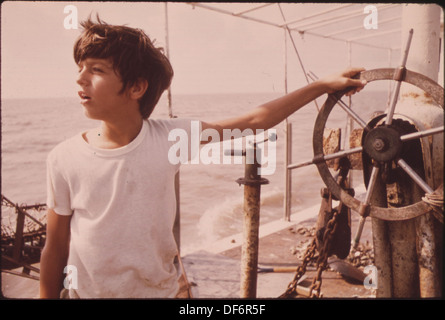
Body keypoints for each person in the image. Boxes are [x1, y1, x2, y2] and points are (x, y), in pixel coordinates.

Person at [39, 17, 366, 299]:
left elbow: (255, 121)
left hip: (159, 292)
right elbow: (55, 247)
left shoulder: (170, 139)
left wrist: (322, 85)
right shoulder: (64, 158)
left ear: (137, 87)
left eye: (96, 70)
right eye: (80, 68)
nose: (80, 78)